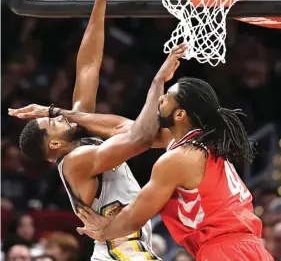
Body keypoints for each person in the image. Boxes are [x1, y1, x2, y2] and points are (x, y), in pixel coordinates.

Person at [9, 0, 187, 260]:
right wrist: (158, 81)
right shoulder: (76, 161)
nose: (61, 116)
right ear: (54, 143)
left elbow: (88, 67)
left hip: (128, 248)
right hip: (119, 252)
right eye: (55, 121)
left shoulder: (81, 136)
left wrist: (100, 2)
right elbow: (140, 138)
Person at [68, 78, 274, 261]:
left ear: (180, 114)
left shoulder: (178, 159)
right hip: (253, 248)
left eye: (167, 97)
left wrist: (101, 233)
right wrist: (61, 113)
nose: (160, 100)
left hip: (224, 250)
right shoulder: (202, 143)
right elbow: (121, 128)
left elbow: (134, 216)